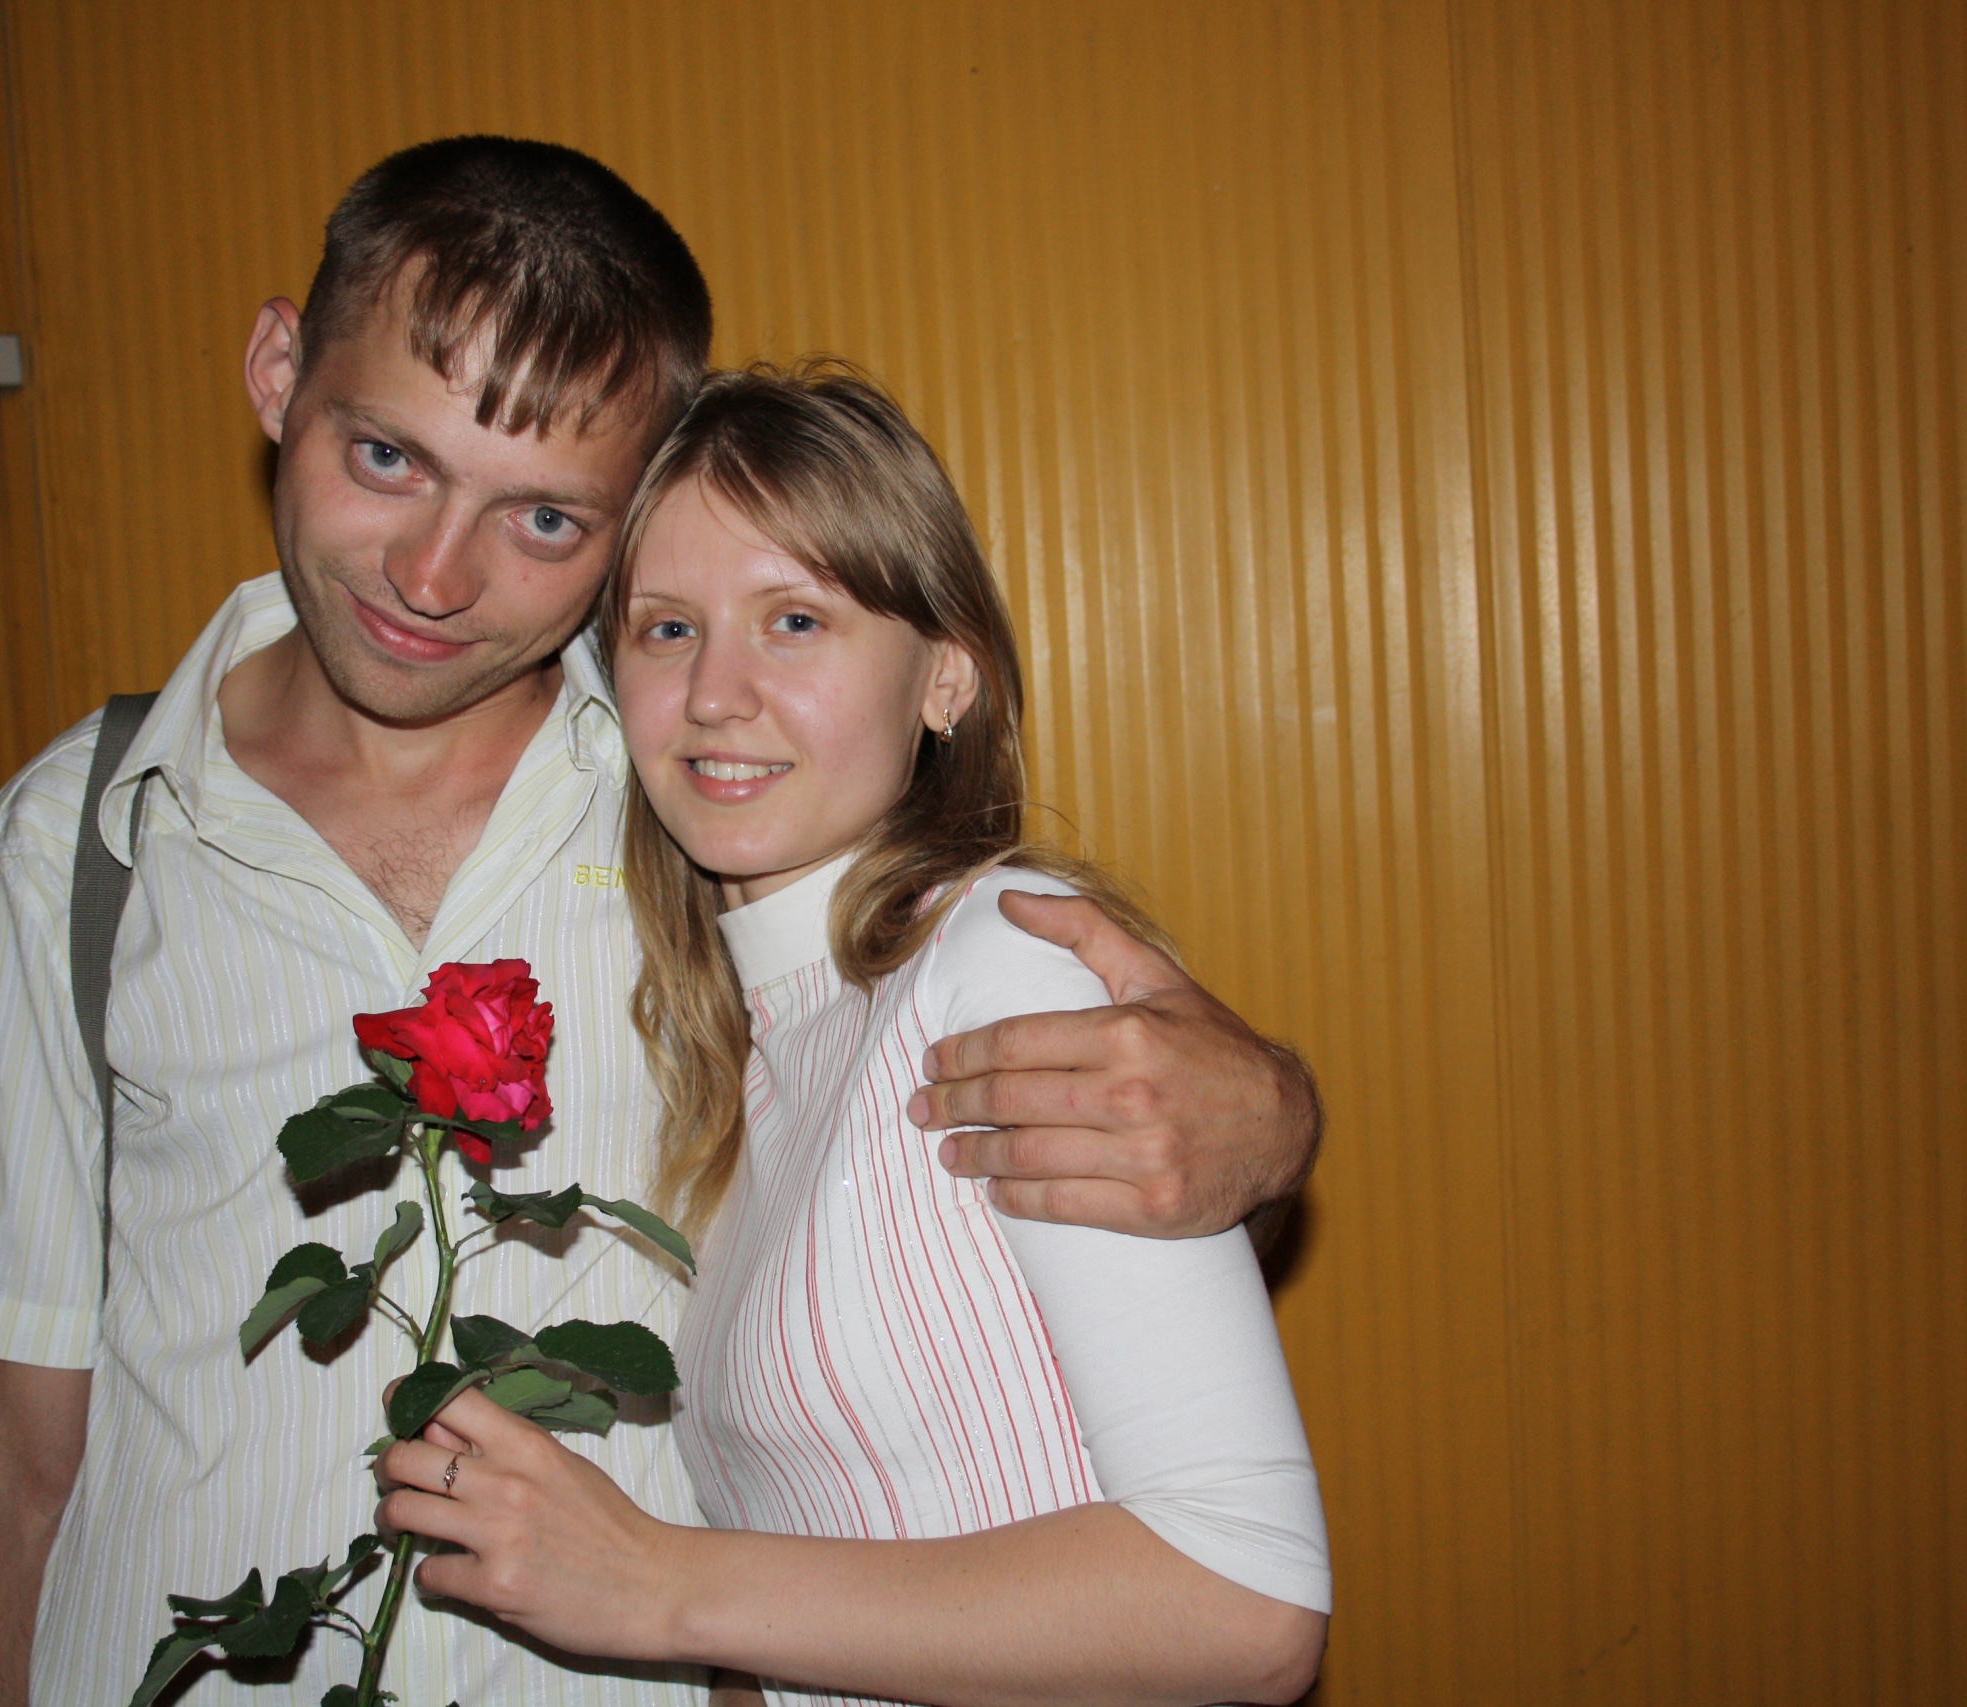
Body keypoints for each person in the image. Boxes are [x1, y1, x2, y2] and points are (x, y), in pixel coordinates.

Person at [0, 137, 1322, 1707]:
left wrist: (1276, 1114)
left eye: (546, 520)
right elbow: (9, 1458)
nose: (432, 575)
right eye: (388, 456)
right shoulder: (83, 839)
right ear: (280, 373)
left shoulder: (709, 805)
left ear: (626, 521)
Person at [375, 366, 1329, 1706]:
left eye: (796, 620)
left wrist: (658, 1583)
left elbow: (1246, 1602)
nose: (717, 693)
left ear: (946, 677)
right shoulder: (752, 1054)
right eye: (667, 629)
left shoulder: (1000, 967)